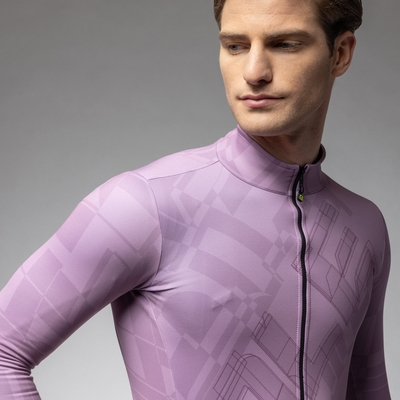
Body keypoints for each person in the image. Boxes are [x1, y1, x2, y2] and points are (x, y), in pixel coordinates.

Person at [0, 0, 392, 399]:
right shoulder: (145, 206)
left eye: (284, 44)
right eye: (236, 46)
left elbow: (368, 389)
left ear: (340, 53)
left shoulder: (364, 227)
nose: (254, 72)